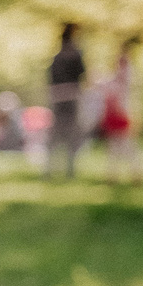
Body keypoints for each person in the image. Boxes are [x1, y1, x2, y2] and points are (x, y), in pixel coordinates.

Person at [47, 22, 87, 178]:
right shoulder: (76, 55)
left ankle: (50, 169)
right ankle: (69, 170)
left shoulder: (57, 57)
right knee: (72, 135)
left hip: (57, 97)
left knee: (56, 135)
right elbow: (82, 76)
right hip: (70, 96)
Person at [99, 41, 141, 185]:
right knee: (116, 147)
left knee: (126, 146)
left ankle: (134, 174)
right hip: (114, 113)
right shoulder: (117, 79)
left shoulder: (125, 78)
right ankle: (114, 175)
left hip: (120, 113)